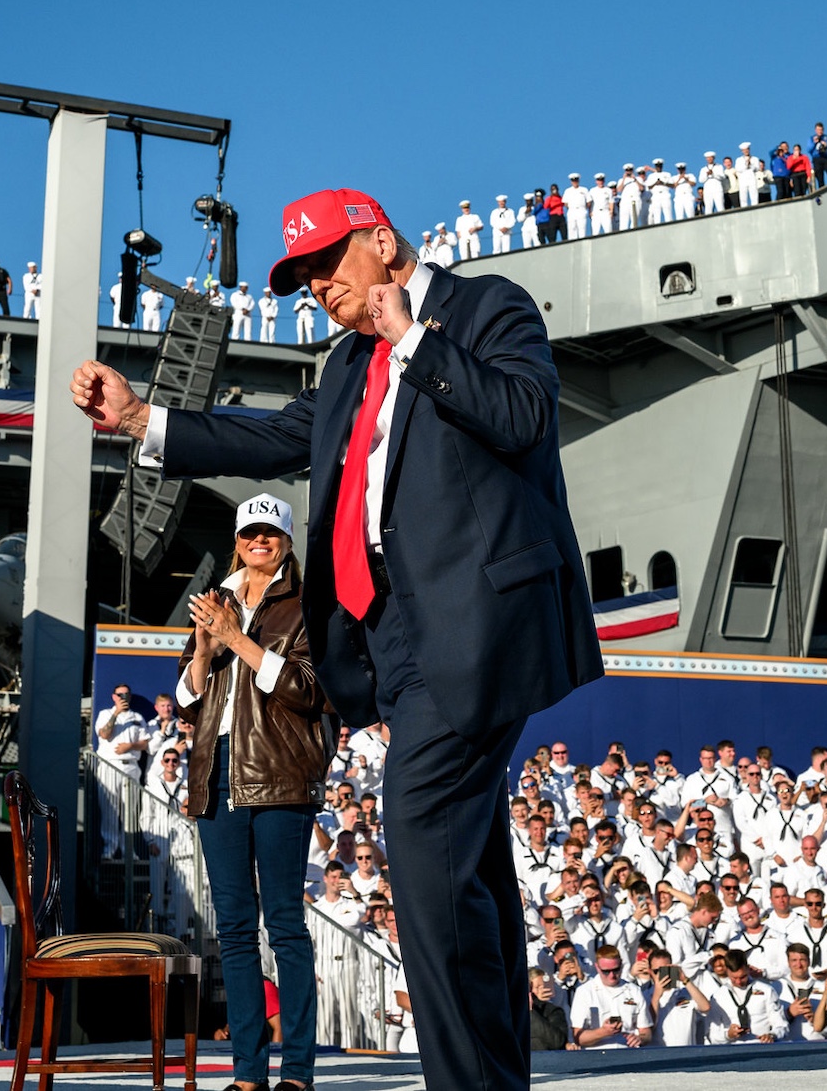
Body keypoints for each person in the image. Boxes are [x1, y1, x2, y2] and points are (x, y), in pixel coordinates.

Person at [72, 187, 600, 1091]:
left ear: (382, 242)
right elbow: (273, 433)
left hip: (476, 628)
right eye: (302, 274)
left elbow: (525, 417)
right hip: (392, 642)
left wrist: (415, 341)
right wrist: (140, 419)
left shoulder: (485, 306)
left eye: (326, 263)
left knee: (426, 842)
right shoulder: (347, 367)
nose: (316, 285)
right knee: (469, 870)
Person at [180, 493, 326, 1091]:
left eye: (270, 533)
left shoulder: (307, 604)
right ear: (237, 541)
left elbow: (307, 690)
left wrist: (237, 640)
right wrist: (207, 646)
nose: (258, 542)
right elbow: (189, 699)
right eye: (248, 534)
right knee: (235, 933)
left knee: (286, 926)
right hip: (217, 778)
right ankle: (247, 1076)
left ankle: (297, 1073)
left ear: (287, 541)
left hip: (280, 777)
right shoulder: (215, 602)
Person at [93, 684, 149, 859]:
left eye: (126, 694)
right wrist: (116, 714)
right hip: (110, 765)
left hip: (131, 766)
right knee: (110, 809)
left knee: (130, 810)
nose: (123, 697)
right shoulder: (105, 714)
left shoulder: (137, 717)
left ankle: (128, 849)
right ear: (114, 696)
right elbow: (103, 734)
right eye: (120, 694)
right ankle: (110, 848)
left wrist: (130, 746)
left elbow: (145, 743)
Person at [571, 945, 650, 1048]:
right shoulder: (584, 992)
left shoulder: (634, 991)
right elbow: (578, 1037)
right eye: (606, 971)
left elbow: (646, 1031)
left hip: (628, 1054)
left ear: (621, 965)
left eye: (616, 970)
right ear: (597, 967)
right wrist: (603, 1032)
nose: (612, 975)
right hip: (597, 1057)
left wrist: (640, 1038)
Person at [528, 971, 575, 1051]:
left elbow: (558, 1041)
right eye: (538, 987)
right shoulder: (516, 1013)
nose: (543, 990)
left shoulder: (554, 1011)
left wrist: (531, 1013)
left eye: (544, 986)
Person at [563, 174, 590, 241]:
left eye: (576, 180)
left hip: (581, 210)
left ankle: (582, 243)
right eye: (573, 180)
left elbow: (589, 202)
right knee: (572, 229)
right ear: (571, 182)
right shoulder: (568, 191)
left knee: (582, 229)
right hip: (572, 210)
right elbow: (565, 203)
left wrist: (584, 209)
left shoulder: (584, 189)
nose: (575, 182)